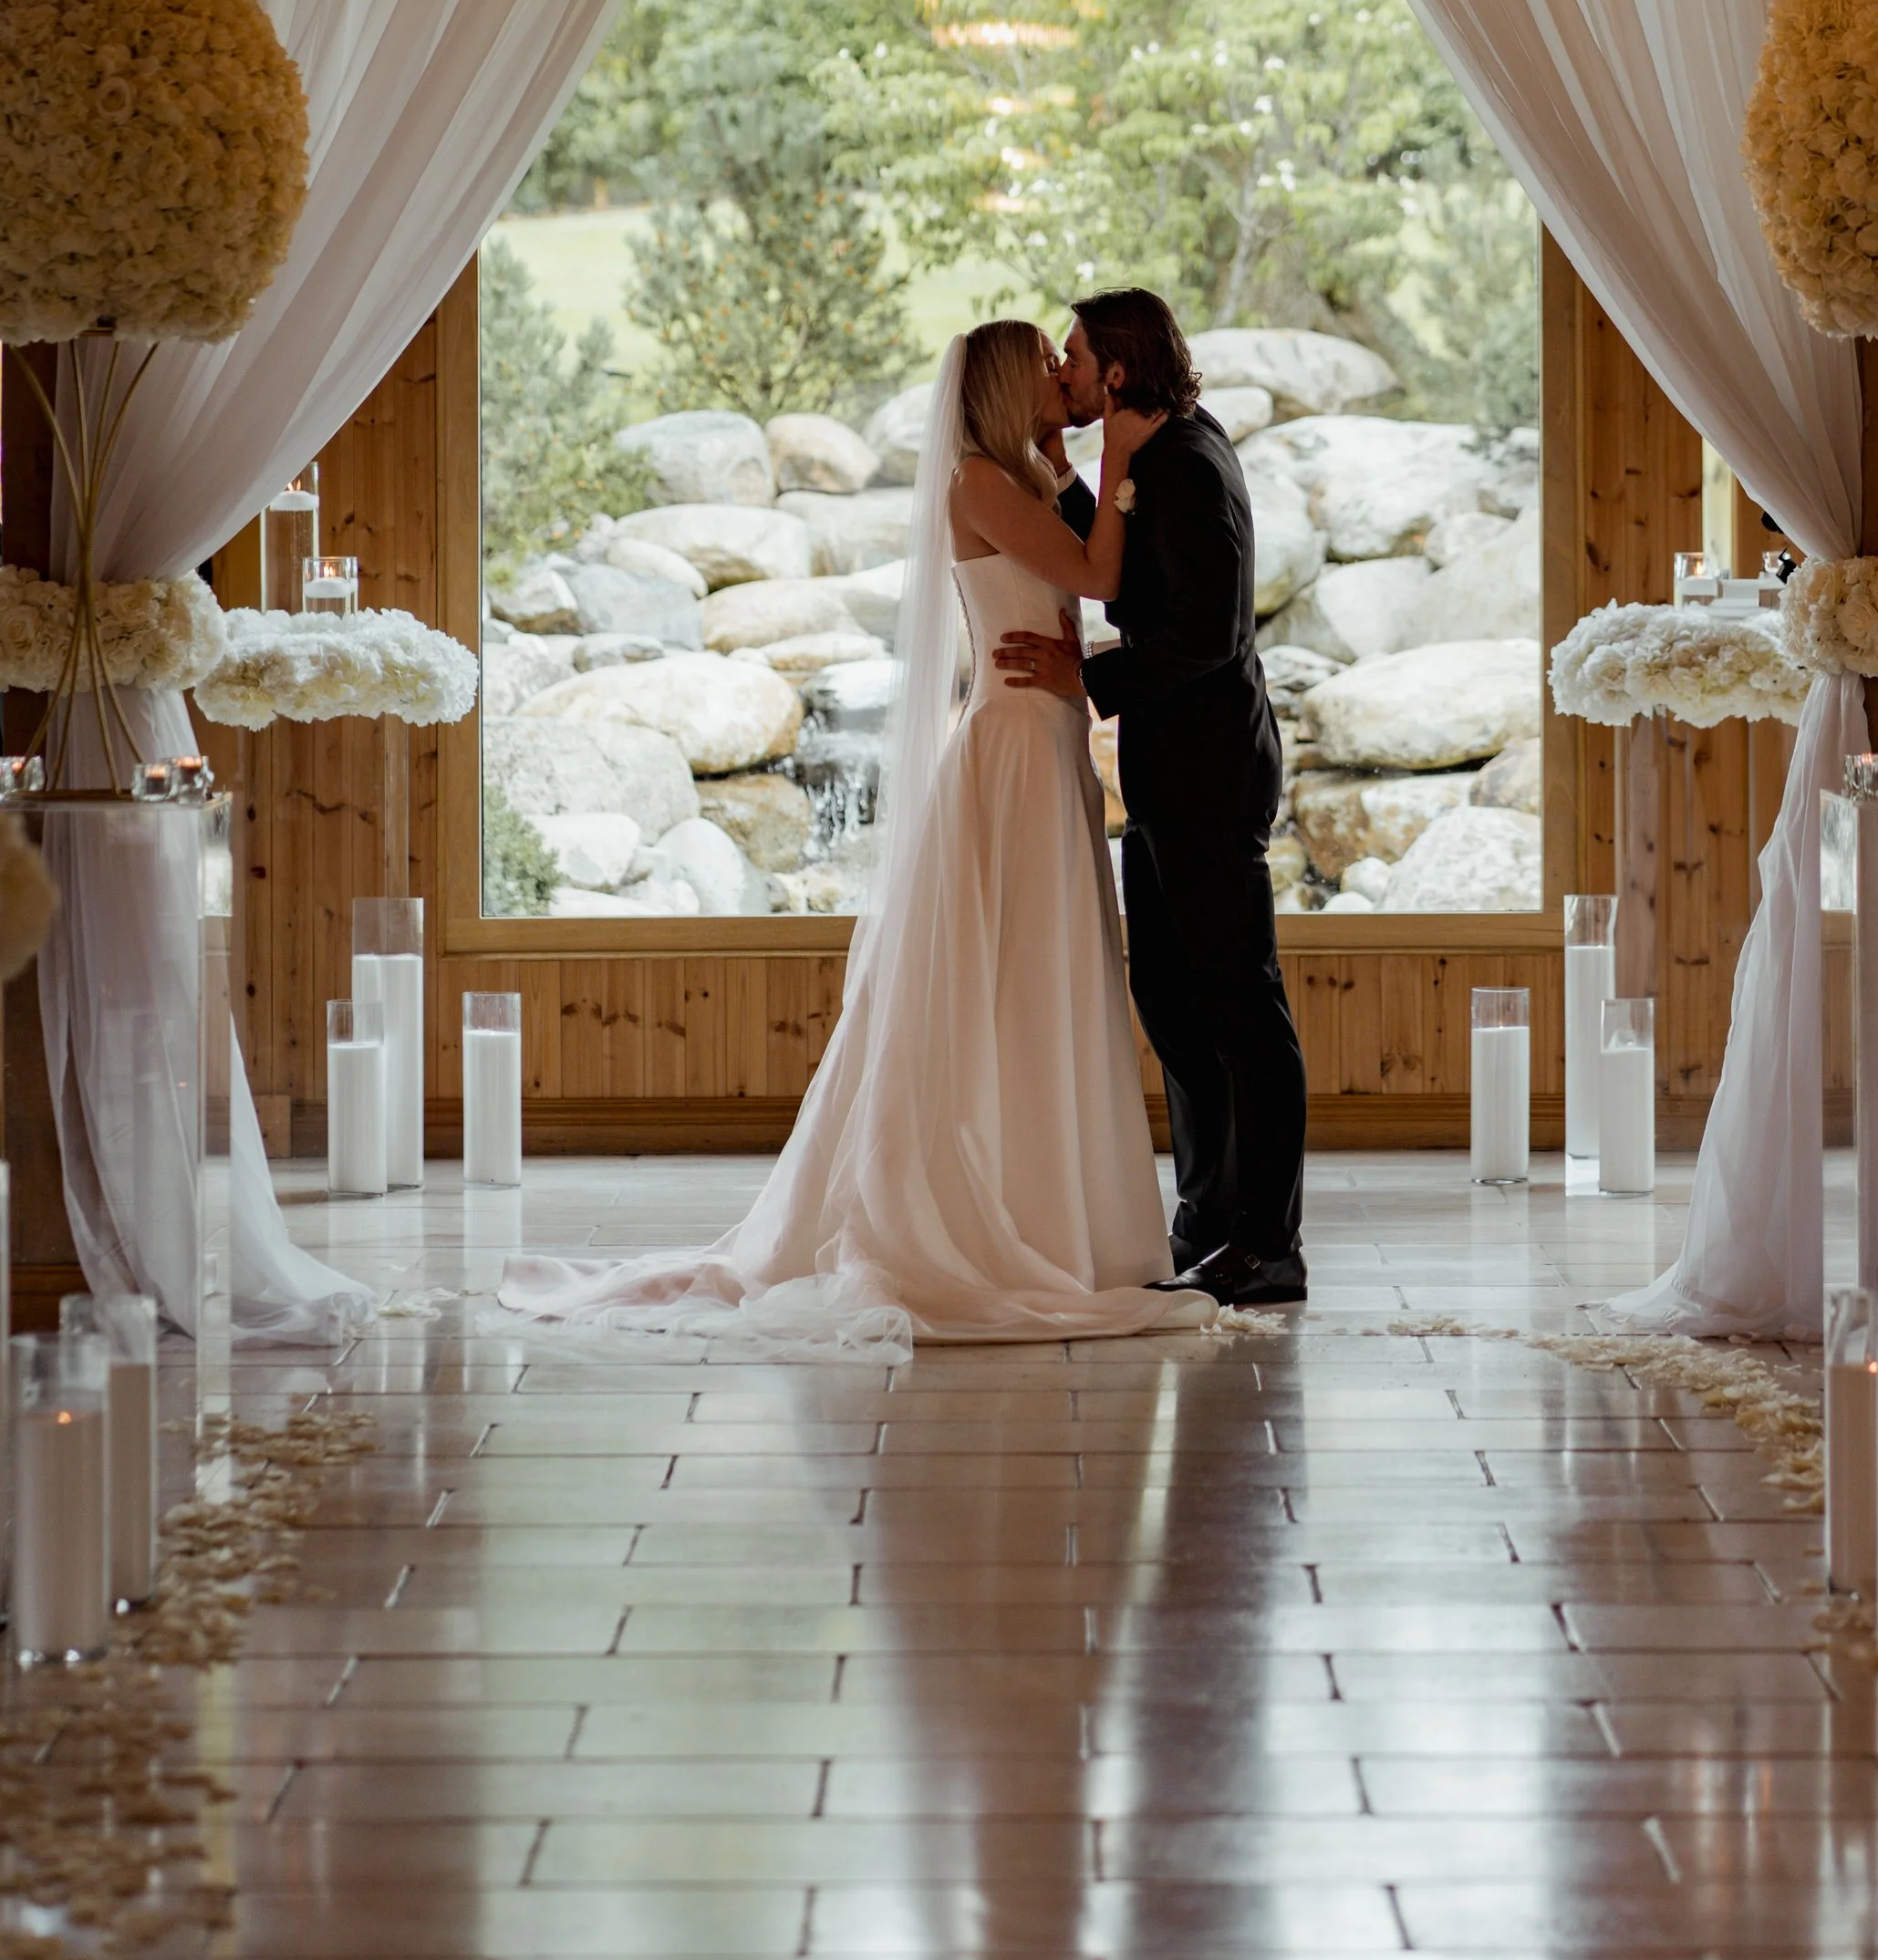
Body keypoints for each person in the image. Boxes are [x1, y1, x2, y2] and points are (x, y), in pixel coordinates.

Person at [497, 323, 1214, 1350]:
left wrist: (1069, 472)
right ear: (1009, 385)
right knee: (1010, 976)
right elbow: (1099, 579)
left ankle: (1069, 1218)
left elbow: (1076, 570)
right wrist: (1121, 459)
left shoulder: (1019, 474)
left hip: (1043, 741)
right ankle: (1004, 1217)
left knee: (1046, 974)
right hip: (1011, 748)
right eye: (1045, 369)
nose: (1063, 380)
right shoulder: (977, 482)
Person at [994, 288, 1310, 1307]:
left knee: (1242, 1009)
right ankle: (1208, 1217)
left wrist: (1084, 679)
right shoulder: (1148, 457)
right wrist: (1065, 489)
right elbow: (1128, 587)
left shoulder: (1188, 465)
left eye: (1074, 356)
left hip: (1213, 776)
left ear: (1117, 371)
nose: (1066, 374)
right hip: (1169, 779)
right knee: (1172, 999)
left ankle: (1269, 1242)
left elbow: (1209, 633)